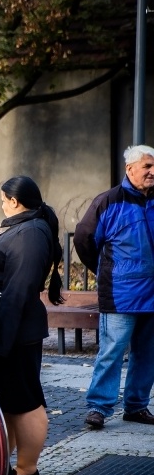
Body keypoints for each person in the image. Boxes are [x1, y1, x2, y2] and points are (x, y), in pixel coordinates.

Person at [0, 175, 64, 475]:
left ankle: (26, 473)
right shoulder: (25, 229)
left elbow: (17, 291)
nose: (2, 205)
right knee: (7, 402)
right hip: (11, 328)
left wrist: (1, 341)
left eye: (3, 200)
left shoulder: (30, 232)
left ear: (15, 201)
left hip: (16, 332)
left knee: (26, 402)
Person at [74, 144, 154, 430]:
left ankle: (136, 406)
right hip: (122, 294)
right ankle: (99, 407)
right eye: (147, 166)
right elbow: (84, 240)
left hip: (152, 295)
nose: (152, 171)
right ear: (130, 169)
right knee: (112, 350)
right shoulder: (108, 201)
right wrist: (105, 270)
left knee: (148, 353)